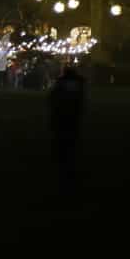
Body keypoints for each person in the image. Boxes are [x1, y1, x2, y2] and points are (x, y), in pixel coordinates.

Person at [49, 66, 86, 194]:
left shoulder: (62, 84)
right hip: (72, 114)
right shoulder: (78, 84)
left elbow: (53, 97)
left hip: (63, 114)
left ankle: (62, 155)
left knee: (63, 135)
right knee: (70, 134)